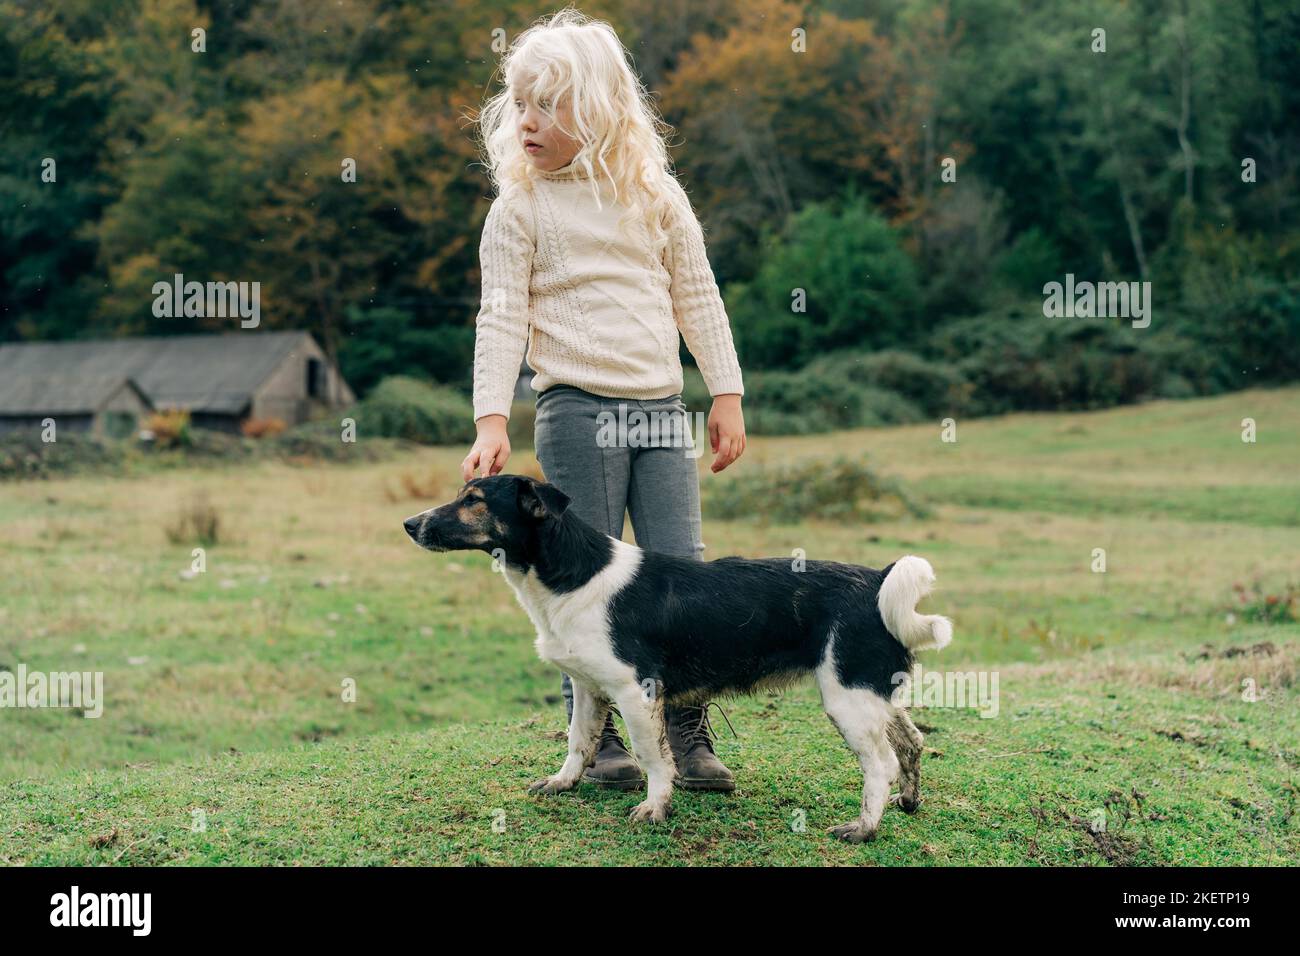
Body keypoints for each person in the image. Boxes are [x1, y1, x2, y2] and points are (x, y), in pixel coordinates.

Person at [461, 8, 747, 792]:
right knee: (578, 579)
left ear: (599, 109)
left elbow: (698, 293)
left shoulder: (654, 194)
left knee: (680, 573)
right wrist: (492, 418)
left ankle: (688, 739)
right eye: (519, 103)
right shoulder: (519, 209)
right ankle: (600, 745)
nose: (528, 120)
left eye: (548, 104)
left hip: (662, 410)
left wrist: (726, 392)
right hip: (577, 413)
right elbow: (501, 317)